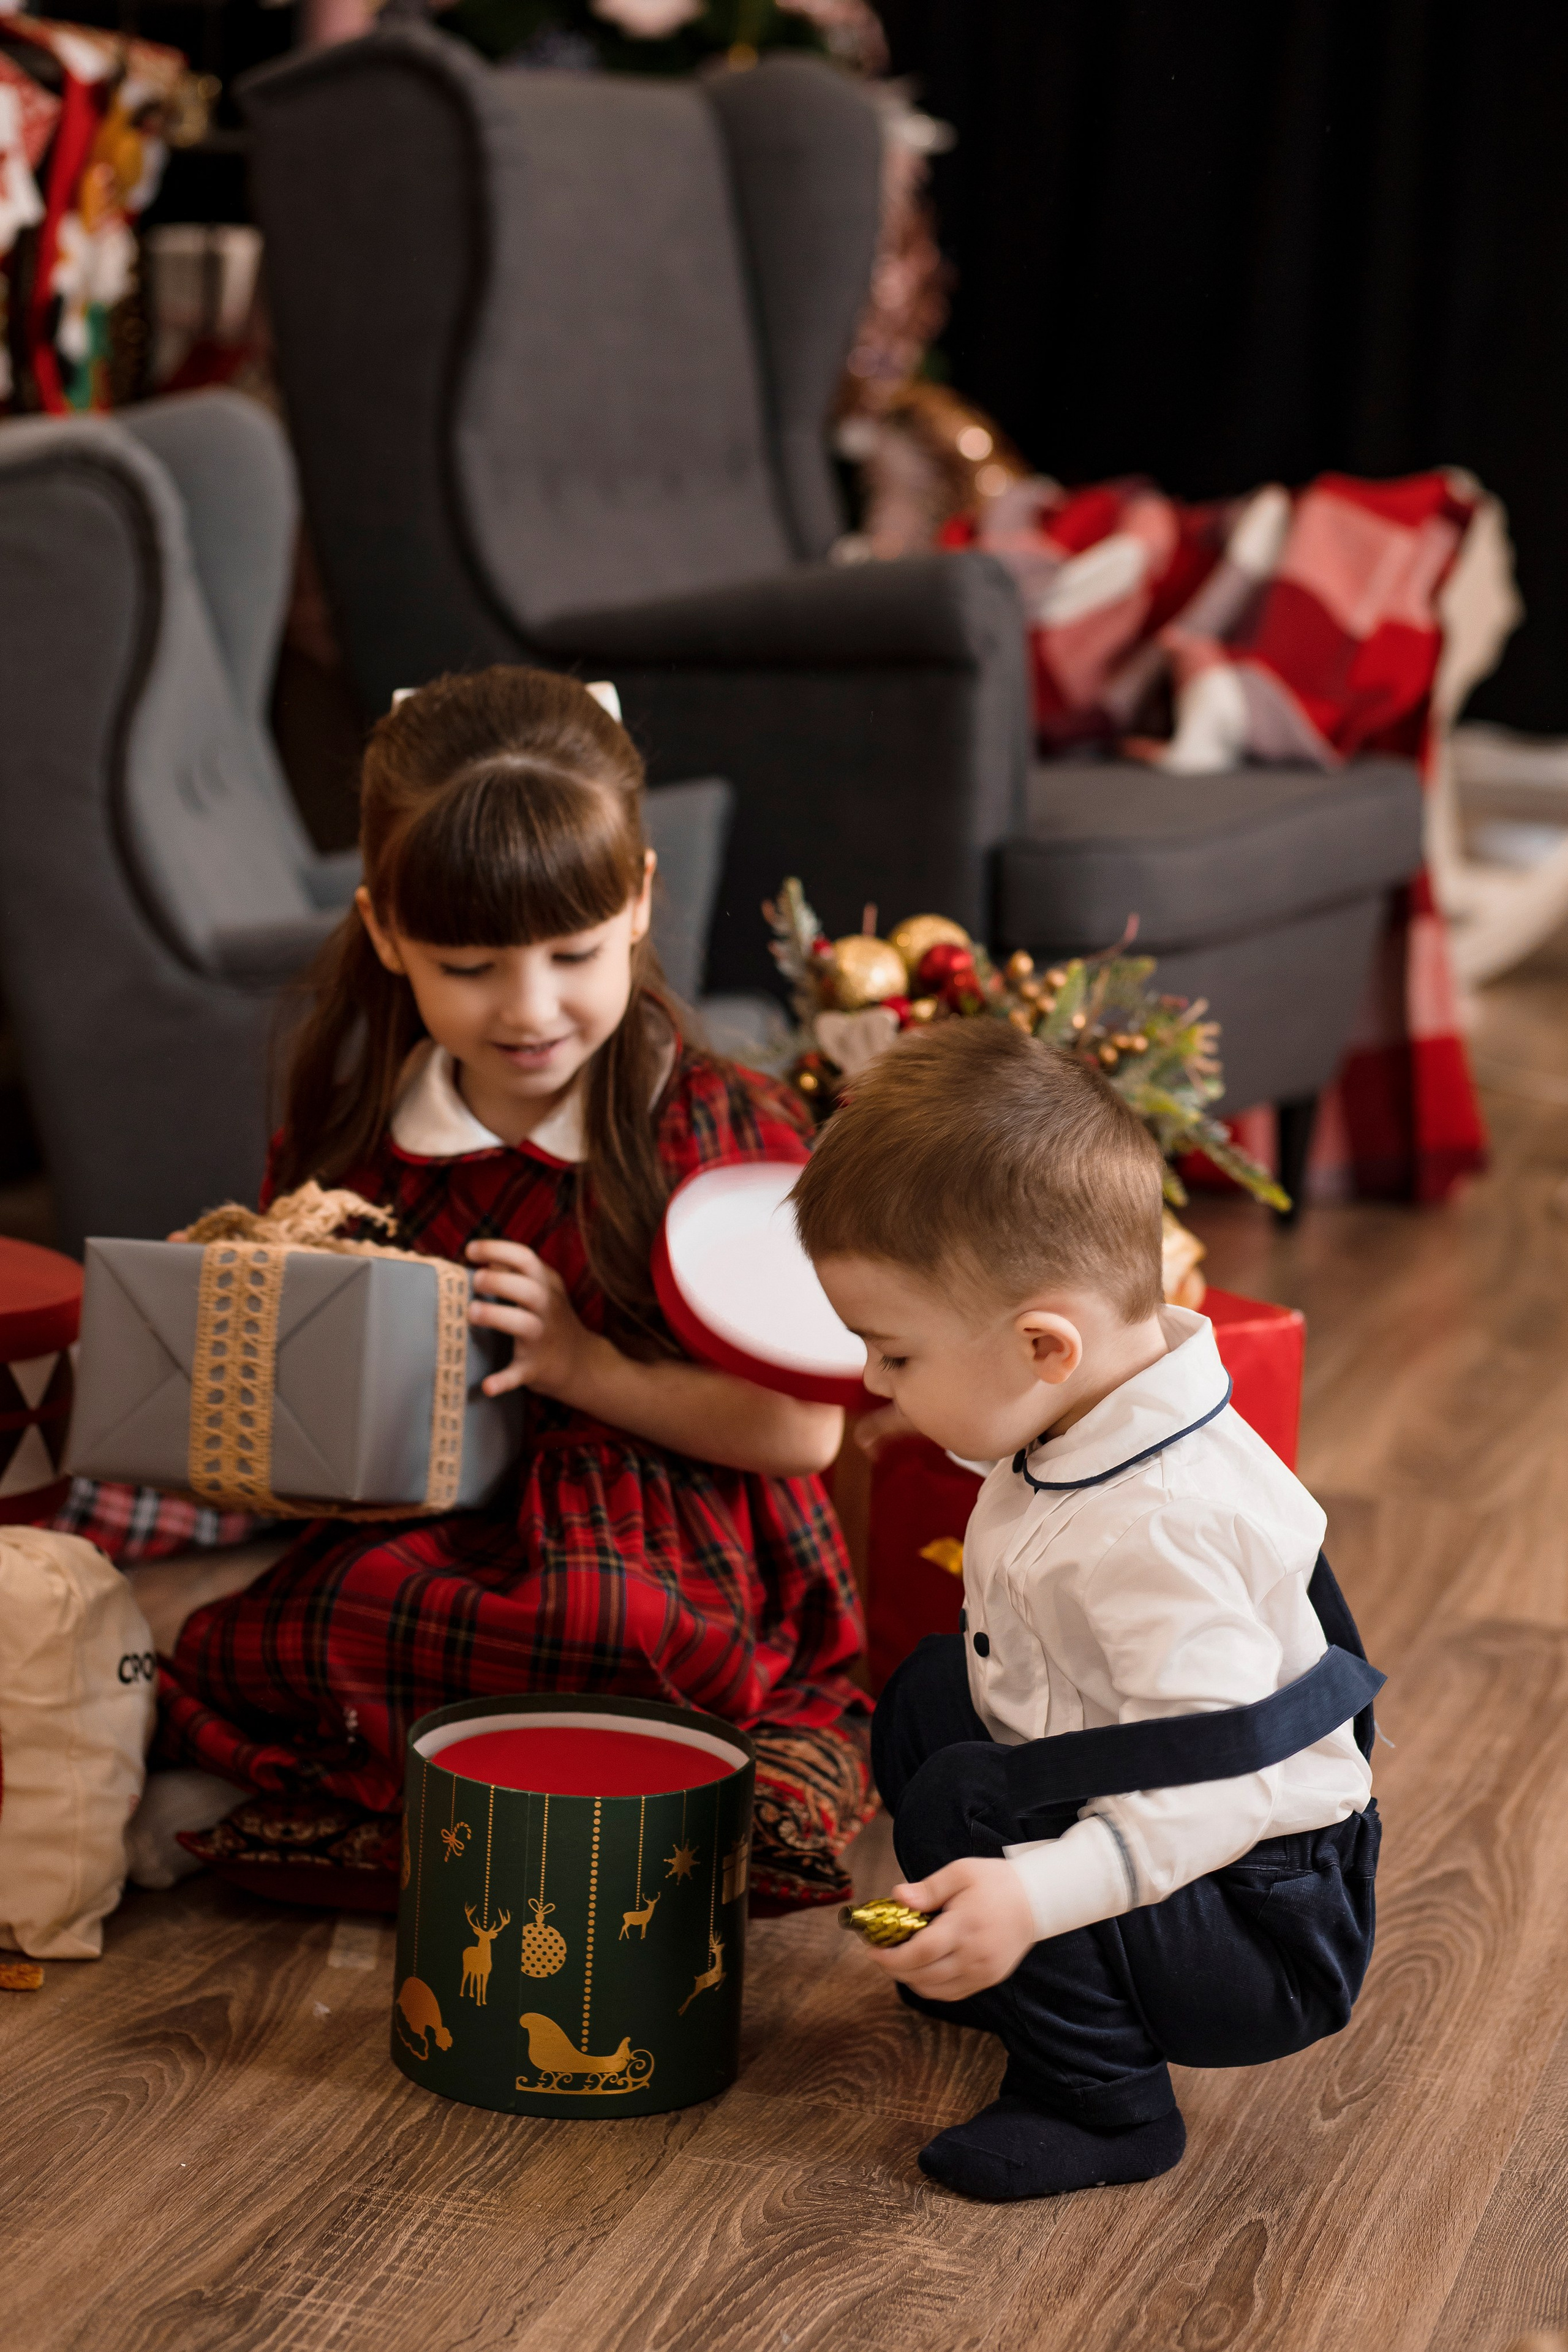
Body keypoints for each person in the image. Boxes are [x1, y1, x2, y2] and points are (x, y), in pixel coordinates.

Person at [154, 667, 870, 1907]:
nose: (530, 1009)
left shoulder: (712, 1126)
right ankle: (392, 1795)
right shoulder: (358, 1124)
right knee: (324, 1619)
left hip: (664, 1513)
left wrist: (584, 1369)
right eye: (471, 965)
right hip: (421, 1516)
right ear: (385, 932)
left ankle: (465, 1801)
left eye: (572, 953)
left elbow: (802, 1431)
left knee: (614, 1625)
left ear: (640, 900)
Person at [794, 1019, 1382, 2201]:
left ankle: (1102, 2101)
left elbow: (1216, 1790)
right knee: (927, 1694)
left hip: (1257, 1915)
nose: (872, 1380)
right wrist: (944, 1399)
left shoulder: (1163, 1531)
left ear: (1041, 1344)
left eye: (893, 1353)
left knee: (972, 1801)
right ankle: (1008, 1970)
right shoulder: (1084, 1404)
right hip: (1160, 1808)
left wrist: (1040, 1891)